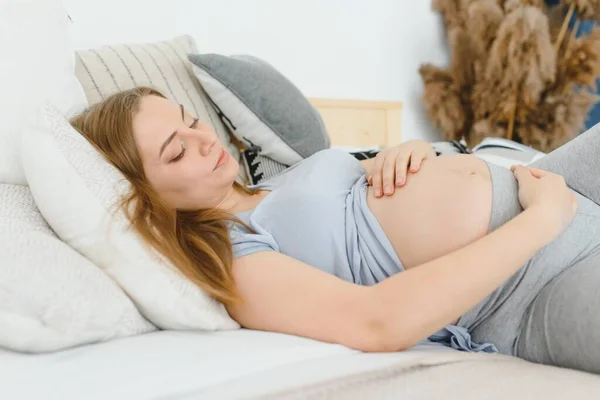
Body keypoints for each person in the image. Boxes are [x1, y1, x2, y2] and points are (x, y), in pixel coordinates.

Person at [70, 86, 600, 375]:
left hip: (551, 180)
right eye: (177, 150)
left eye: (190, 121)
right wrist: (540, 221)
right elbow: (377, 323)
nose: (203, 139)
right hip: (531, 286)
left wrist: (418, 153)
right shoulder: (233, 255)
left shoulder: (274, 180)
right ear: (143, 195)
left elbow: (385, 190)